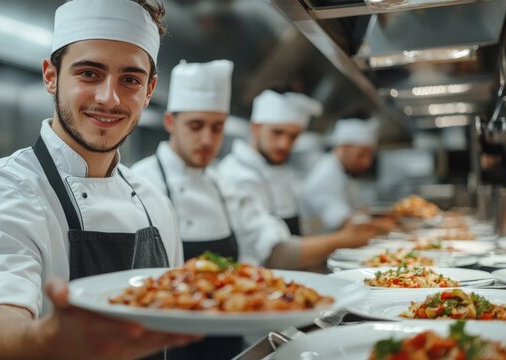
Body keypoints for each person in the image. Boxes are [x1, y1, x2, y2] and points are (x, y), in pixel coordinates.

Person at [0, 1, 196, 359]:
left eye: (130, 79)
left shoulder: (156, 203)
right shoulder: (0, 192)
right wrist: (46, 340)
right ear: (51, 75)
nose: (109, 98)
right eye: (89, 73)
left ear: (149, 90)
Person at [132, 60, 379, 272]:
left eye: (217, 127)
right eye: (195, 126)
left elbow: (270, 244)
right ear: (170, 122)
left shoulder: (220, 185)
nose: (207, 139)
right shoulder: (142, 184)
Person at [218, 89, 322, 235]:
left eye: (293, 136)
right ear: (255, 128)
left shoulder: (279, 170)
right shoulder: (236, 174)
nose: (284, 144)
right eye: (277, 132)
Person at [301, 118, 384, 232]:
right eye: (361, 155)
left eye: (370, 156)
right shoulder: (325, 177)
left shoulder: (343, 172)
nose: (367, 163)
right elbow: (343, 220)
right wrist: (386, 226)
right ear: (343, 147)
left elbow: (358, 210)